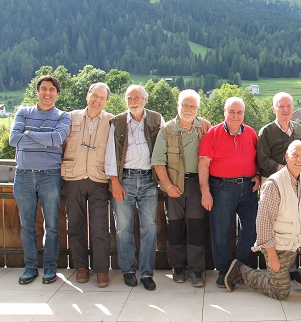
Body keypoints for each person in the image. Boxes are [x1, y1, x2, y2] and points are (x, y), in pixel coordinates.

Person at [223, 141, 301, 300]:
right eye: (295, 155)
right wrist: (272, 254)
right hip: (280, 244)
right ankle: (241, 271)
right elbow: (263, 222)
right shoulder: (274, 183)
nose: (299, 160)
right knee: (280, 292)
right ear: (287, 157)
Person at [9, 75, 71, 285]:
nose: (47, 93)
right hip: (24, 175)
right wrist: (44, 136)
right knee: (27, 225)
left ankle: (50, 268)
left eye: (52, 89)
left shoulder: (63, 116)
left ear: (57, 93)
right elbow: (13, 139)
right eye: (43, 89)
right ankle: (30, 267)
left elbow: (57, 139)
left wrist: (28, 133)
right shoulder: (23, 112)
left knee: (52, 225)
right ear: (37, 91)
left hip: (50, 176)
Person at [105, 85, 163, 291]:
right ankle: (128, 270)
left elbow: (164, 149)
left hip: (149, 180)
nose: (133, 101)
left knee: (149, 229)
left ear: (145, 100)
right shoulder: (118, 122)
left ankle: (147, 273)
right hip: (125, 179)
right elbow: (110, 154)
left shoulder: (157, 119)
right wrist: (114, 181)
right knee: (123, 229)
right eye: (129, 98)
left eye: (137, 97)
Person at [198, 97, 260, 288]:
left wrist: (257, 174)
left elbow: (258, 157)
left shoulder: (250, 133)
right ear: (224, 112)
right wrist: (205, 191)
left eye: (239, 112)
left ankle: (241, 269)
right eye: (231, 111)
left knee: (250, 228)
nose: (235, 115)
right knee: (221, 230)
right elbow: (203, 164)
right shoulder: (213, 133)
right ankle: (223, 270)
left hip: (248, 188)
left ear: (243, 114)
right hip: (221, 187)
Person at [152, 89, 211, 287]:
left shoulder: (204, 128)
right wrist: (167, 186)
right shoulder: (167, 129)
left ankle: (196, 270)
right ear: (178, 106)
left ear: (197, 108)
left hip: (196, 184)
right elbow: (158, 161)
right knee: (175, 227)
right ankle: (177, 267)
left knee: (196, 227)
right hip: (174, 184)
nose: (188, 109)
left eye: (192, 106)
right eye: (185, 105)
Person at [62, 82, 114, 288]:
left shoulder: (111, 121)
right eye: (95, 95)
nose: (98, 100)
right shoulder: (70, 117)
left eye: (102, 97)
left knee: (100, 227)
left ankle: (102, 270)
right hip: (73, 177)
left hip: (98, 178)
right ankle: (81, 267)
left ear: (106, 101)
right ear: (87, 95)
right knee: (75, 225)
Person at [257, 92, 301, 179]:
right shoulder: (266, 131)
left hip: (296, 177)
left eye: (288, 106)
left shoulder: (298, 128)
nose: (285, 110)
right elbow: (262, 159)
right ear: (273, 109)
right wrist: (285, 170)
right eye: (281, 106)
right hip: (271, 179)